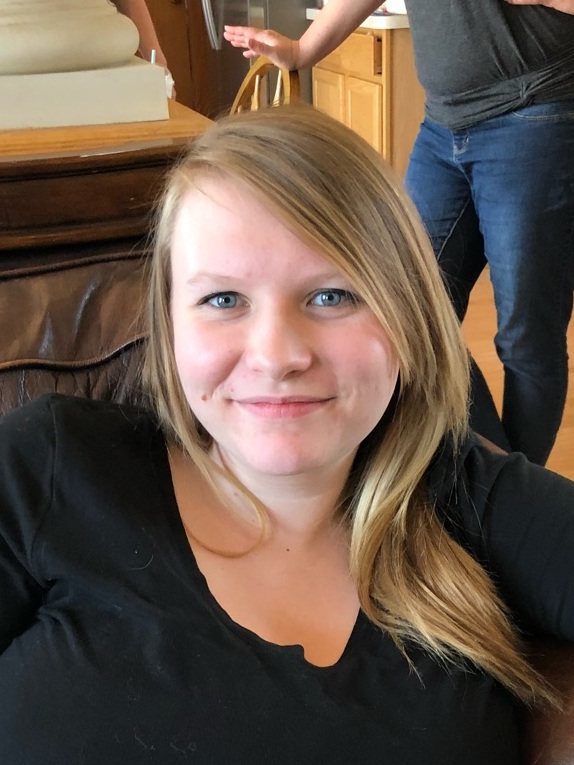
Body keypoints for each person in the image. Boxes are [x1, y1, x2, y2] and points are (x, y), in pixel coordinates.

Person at [0, 106, 573, 764]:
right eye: (223, 300)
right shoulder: (50, 466)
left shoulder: (469, 497)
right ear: (170, 323)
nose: (276, 356)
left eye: (332, 295)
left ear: (408, 319)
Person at [224, 0, 574, 467]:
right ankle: (485, 466)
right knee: (405, 308)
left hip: (533, 117)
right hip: (442, 126)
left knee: (526, 337)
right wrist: (301, 51)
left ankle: (518, 491)